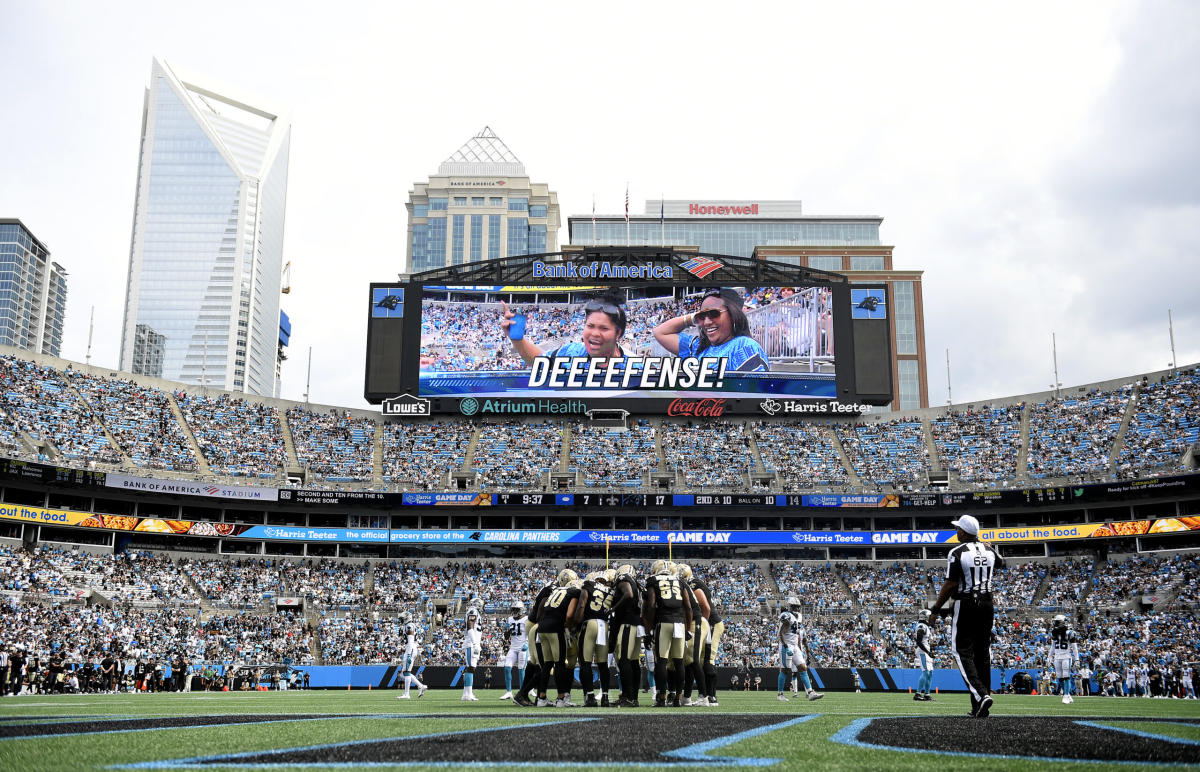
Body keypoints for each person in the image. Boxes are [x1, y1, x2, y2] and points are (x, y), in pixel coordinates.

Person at [929, 513, 1005, 718]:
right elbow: (1001, 563)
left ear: (963, 531)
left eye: (957, 529)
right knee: (982, 654)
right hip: (988, 603)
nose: (956, 532)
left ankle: (981, 696)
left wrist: (936, 609)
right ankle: (979, 704)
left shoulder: (957, 552)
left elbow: (951, 583)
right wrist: (988, 546)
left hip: (966, 602)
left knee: (961, 651)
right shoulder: (989, 549)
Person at [652, 288, 770, 372]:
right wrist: (694, 317)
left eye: (714, 314)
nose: (707, 322)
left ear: (733, 315)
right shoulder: (697, 346)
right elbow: (659, 332)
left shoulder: (744, 346)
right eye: (702, 317)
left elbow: (753, 399)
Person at [502, 293, 630, 365]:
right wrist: (517, 339)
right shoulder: (571, 352)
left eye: (604, 328)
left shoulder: (636, 368)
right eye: (590, 326)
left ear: (618, 333)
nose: (595, 333)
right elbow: (539, 361)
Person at [643, 559, 692, 707]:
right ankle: (678, 698)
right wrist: (688, 629)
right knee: (678, 662)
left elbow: (651, 604)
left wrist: (649, 629)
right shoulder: (679, 580)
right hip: (679, 623)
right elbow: (688, 607)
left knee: (662, 662)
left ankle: (662, 697)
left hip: (663, 622)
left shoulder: (653, 580)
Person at [535, 569, 582, 707]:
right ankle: (561, 698)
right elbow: (568, 615)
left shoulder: (555, 591)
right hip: (555, 628)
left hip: (542, 627)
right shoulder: (574, 592)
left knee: (547, 664)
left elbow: (542, 608)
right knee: (560, 663)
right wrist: (567, 627)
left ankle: (541, 698)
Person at [576, 571, 615, 707]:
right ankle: (605, 697)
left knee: (585, 662)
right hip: (604, 625)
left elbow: (581, 605)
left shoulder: (589, 585)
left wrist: (576, 624)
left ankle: (590, 697)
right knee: (603, 664)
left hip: (590, 623)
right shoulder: (611, 591)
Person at [777, 596, 823, 701]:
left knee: (803, 667)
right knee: (785, 670)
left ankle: (810, 692)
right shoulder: (786, 616)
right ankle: (780, 694)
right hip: (786, 644)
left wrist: (799, 649)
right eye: (794, 607)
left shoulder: (799, 616)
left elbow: (797, 634)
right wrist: (785, 646)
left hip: (795, 645)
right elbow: (780, 634)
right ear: (789, 606)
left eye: (797, 607)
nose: (796, 609)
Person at [609, 564, 642, 708]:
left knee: (624, 660)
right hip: (636, 624)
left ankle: (627, 697)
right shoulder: (638, 584)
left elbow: (628, 594)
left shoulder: (623, 578)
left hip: (627, 624)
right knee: (634, 662)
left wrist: (613, 609)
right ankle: (633, 698)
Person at [1046, 613, 1080, 705]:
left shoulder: (1070, 633)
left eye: (1057, 622)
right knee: (1060, 677)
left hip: (1066, 656)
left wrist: (1077, 659)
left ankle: (1065, 695)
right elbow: (1052, 647)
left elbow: (1074, 647)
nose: (1055, 624)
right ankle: (1067, 694)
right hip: (1057, 657)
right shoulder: (1054, 633)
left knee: (1066, 676)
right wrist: (1049, 657)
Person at [499, 601, 529, 701]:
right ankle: (509, 692)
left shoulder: (526, 619)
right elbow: (506, 637)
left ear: (521, 610)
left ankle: (522, 692)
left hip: (523, 647)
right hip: (513, 647)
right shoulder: (510, 619)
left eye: (517, 609)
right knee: (507, 667)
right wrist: (506, 630)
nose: (515, 611)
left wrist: (527, 643)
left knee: (521, 670)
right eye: (514, 609)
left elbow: (531, 632)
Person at [396, 611, 427, 699]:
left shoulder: (409, 626)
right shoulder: (408, 625)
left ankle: (407, 694)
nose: (401, 620)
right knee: (403, 674)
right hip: (412, 648)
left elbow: (410, 641)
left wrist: (408, 654)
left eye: (402, 619)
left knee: (406, 672)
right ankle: (421, 686)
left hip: (411, 648)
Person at [461, 598, 484, 701]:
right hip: (471, 643)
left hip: (472, 642)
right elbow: (470, 627)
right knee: (471, 667)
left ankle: (466, 694)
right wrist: (475, 643)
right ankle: (468, 694)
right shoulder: (473, 611)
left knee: (469, 668)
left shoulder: (474, 611)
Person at [914, 608, 935, 701]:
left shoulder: (925, 626)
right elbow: (918, 641)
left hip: (925, 651)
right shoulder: (921, 626)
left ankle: (927, 694)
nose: (931, 618)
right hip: (923, 651)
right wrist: (928, 652)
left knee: (930, 673)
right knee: (926, 671)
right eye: (929, 617)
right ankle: (917, 694)